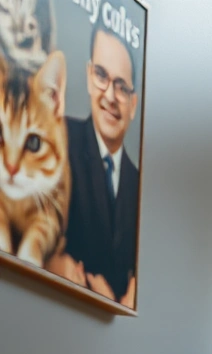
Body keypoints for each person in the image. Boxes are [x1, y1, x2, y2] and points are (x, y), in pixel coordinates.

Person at [49, 26, 139, 307]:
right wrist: (57, 266)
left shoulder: (139, 186)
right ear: (89, 77)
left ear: (133, 105)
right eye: (101, 76)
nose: (110, 96)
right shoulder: (57, 141)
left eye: (122, 87)